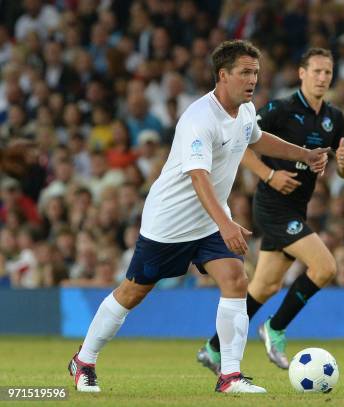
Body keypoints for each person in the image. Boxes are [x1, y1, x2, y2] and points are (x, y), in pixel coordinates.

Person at [67, 40, 329, 394]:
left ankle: (230, 376)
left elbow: (258, 139)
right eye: (245, 73)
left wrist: (304, 153)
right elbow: (198, 177)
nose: (253, 80)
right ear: (223, 75)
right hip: (169, 223)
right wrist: (226, 222)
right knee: (132, 292)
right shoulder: (198, 118)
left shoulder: (246, 110)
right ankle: (84, 360)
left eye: (256, 73)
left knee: (236, 279)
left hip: (207, 222)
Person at [197, 48, 344, 374]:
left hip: (298, 207)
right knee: (325, 267)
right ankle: (275, 328)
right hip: (272, 205)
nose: (322, 77)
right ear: (302, 73)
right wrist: (269, 174)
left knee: (265, 286)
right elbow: (241, 143)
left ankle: (213, 349)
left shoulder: (334, 118)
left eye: (328, 72)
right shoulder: (280, 109)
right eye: (317, 71)